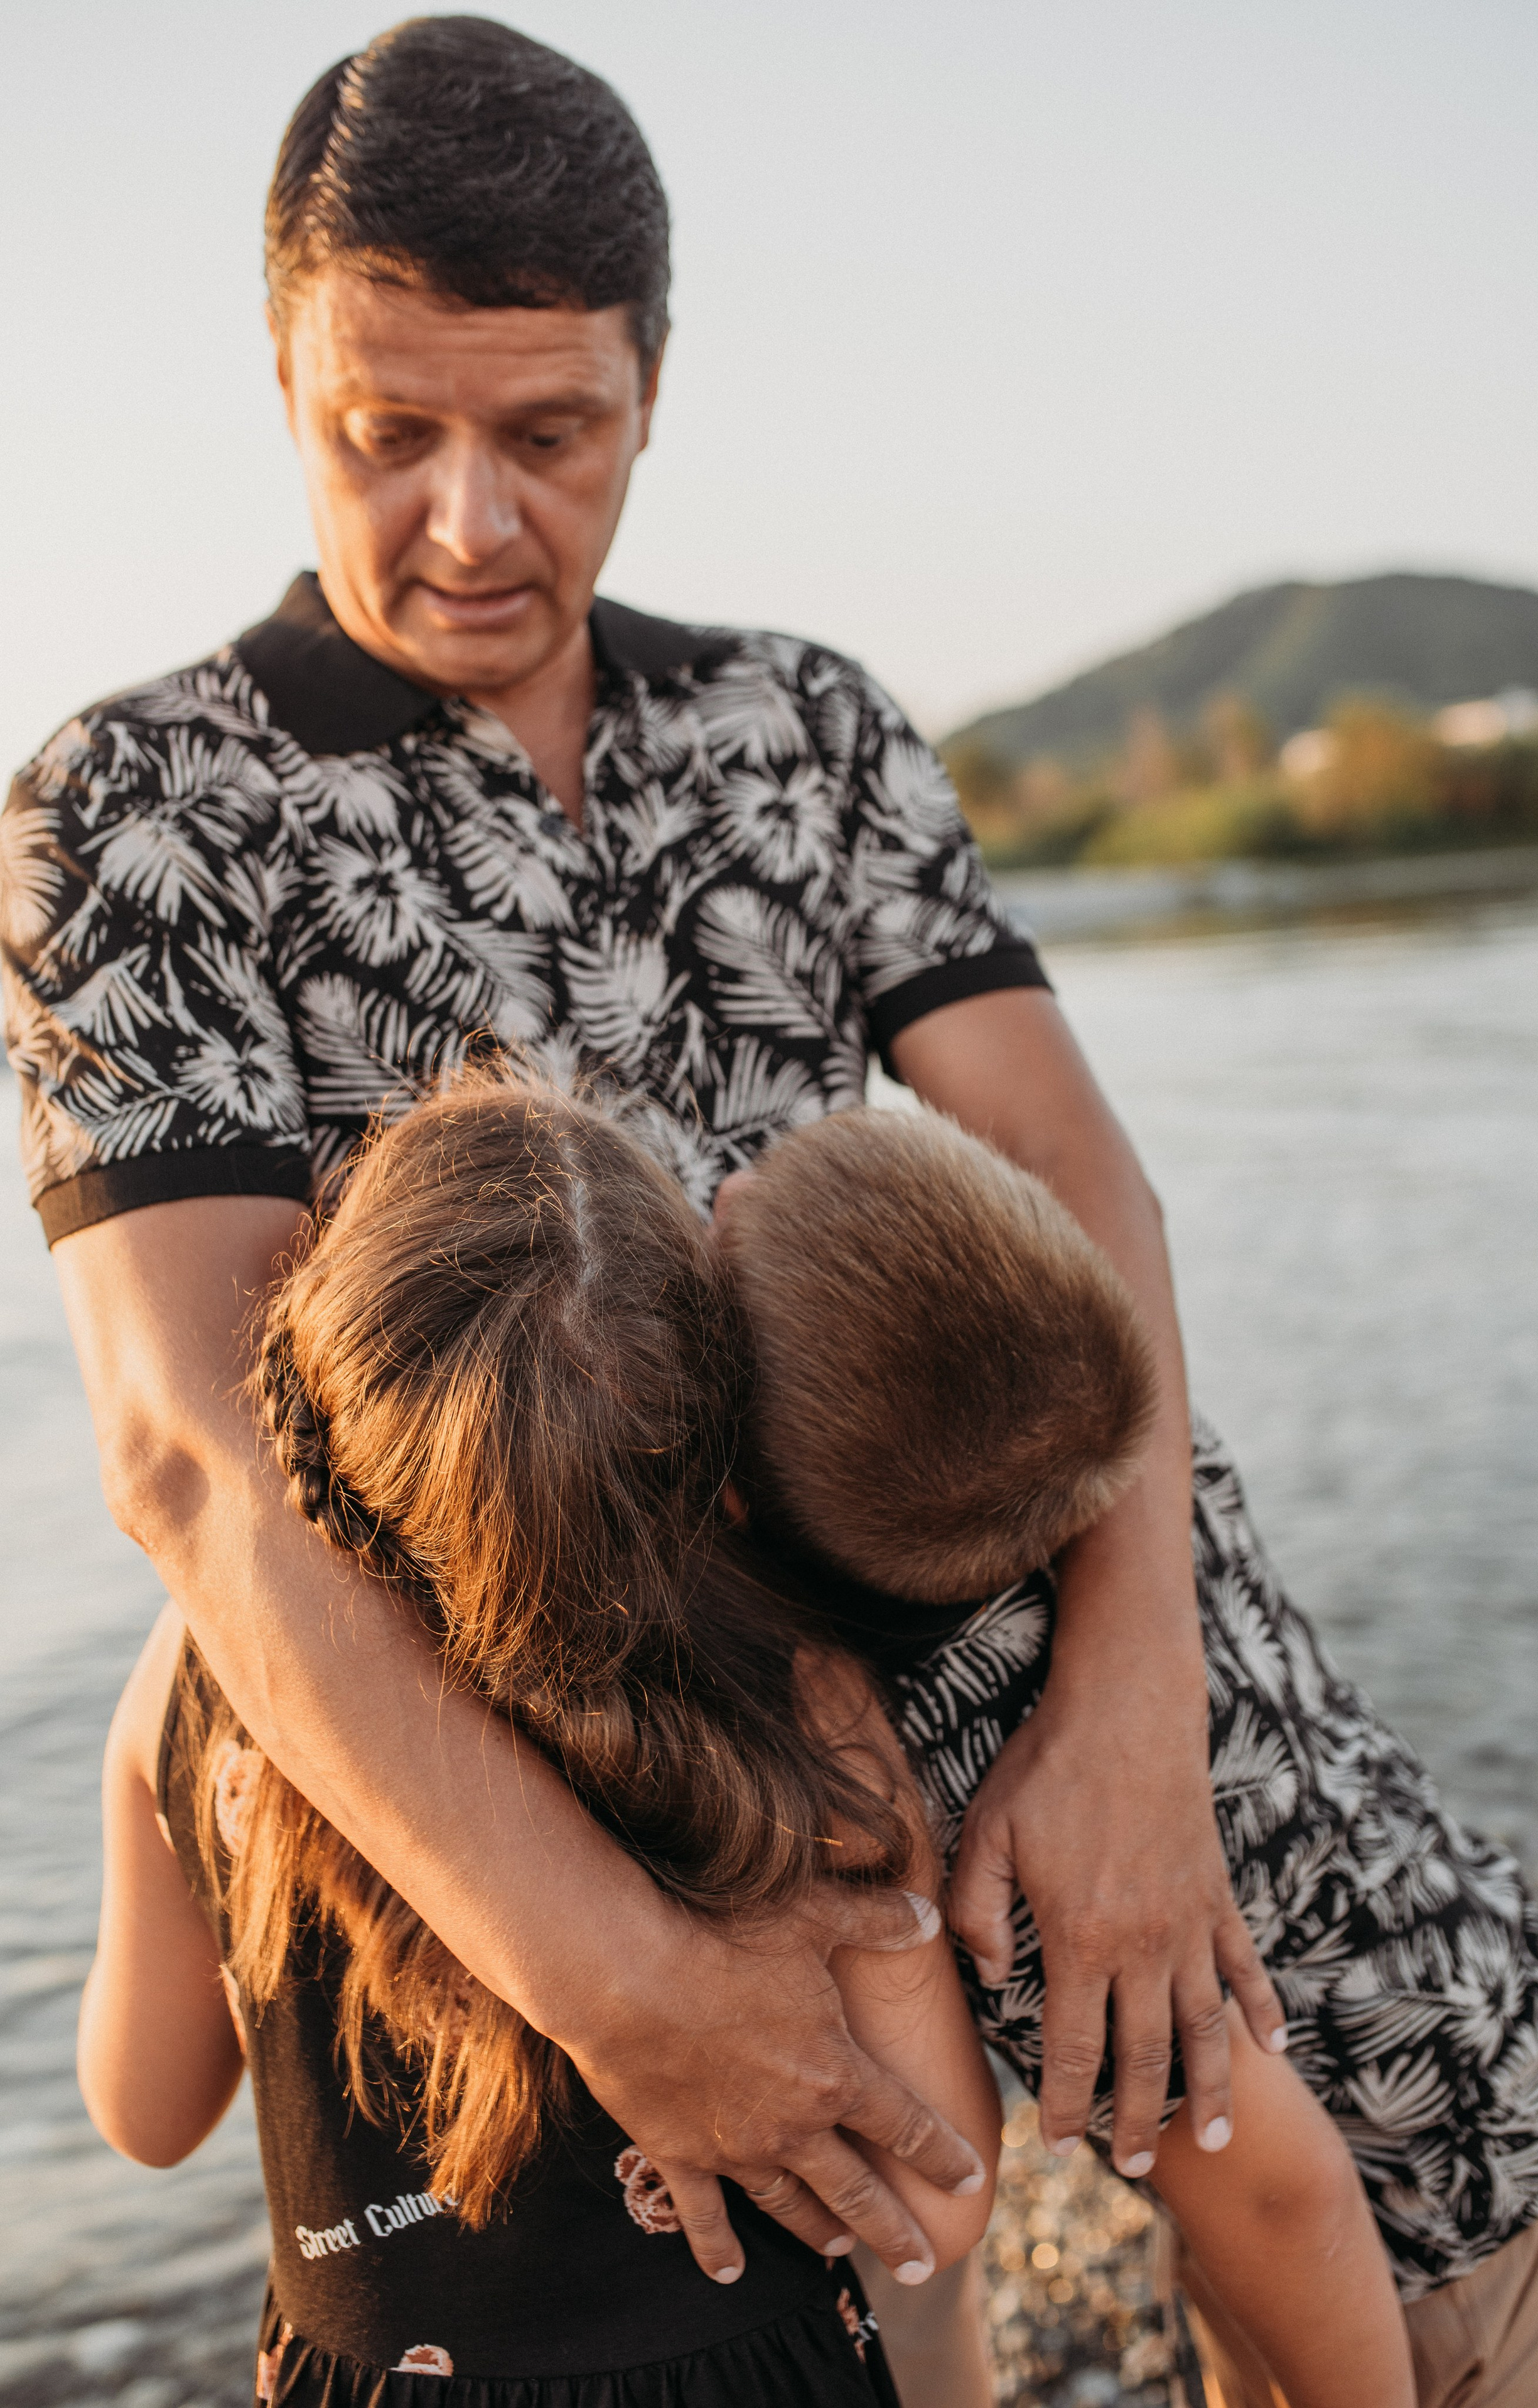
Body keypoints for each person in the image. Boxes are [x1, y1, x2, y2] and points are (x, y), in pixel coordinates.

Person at [3, 9, 1286, 2314]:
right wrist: (626, 1983)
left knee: (1321, 2169)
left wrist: (1137, 1708)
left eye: (554, 433)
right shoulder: (128, 808)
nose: (472, 522)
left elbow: (1084, 1171)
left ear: (654, 392)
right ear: (282, 377)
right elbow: (188, 1452)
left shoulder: (804, 720)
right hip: (555, 1850)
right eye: (382, 435)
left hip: (1038, 1710)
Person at [78, 1076, 1002, 2405]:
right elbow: (941, 2202)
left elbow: (145, 2112)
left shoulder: (200, 1673)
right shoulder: (800, 1703)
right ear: (707, 1423)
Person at [716, 1106, 1538, 2407]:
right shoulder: (1137, 1468)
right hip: (1497, 2038)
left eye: (748, 1196)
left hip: (1463, 2257)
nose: (727, 1183)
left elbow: (1279, 2190)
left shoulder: (992, 1825)